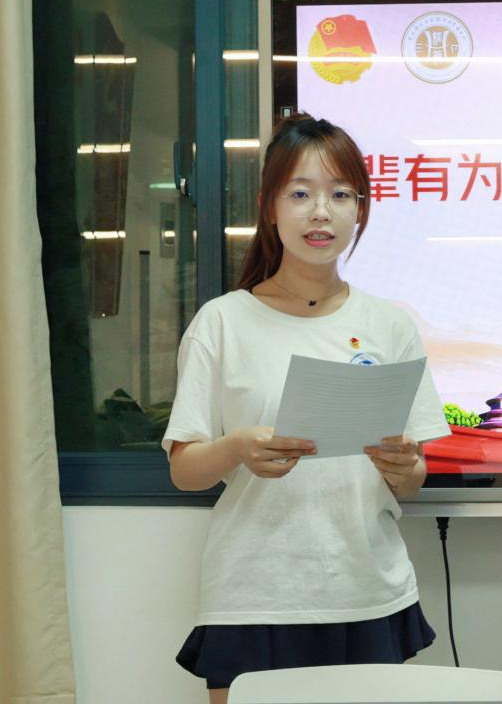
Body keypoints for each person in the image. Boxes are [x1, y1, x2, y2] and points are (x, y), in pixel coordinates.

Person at [162, 113, 450, 703]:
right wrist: (237, 447)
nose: (321, 212)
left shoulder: (389, 325)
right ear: (269, 208)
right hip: (254, 593)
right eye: (300, 194)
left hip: (367, 588)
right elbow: (185, 470)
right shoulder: (223, 322)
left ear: (360, 211)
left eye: (340, 195)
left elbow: (413, 474)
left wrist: (405, 468)